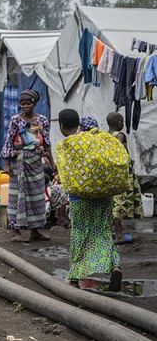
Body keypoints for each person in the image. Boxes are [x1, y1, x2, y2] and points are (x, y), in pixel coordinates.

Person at [56, 109, 122, 291]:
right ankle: (114, 267)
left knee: (80, 235)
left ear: (61, 126)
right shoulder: (95, 138)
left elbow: (67, 175)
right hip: (104, 196)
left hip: (80, 199)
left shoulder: (67, 144)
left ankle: (75, 278)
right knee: (103, 233)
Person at [1, 90, 55, 242]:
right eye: (23, 104)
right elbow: (9, 141)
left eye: (28, 103)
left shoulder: (42, 120)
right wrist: (6, 164)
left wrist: (52, 162)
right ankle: (15, 231)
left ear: (34, 104)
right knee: (17, 195)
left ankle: (35, 230)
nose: (25, 106)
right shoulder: (15, 120)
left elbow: (47, 142)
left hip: (35, 162)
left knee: (36, 196)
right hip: (19, 162)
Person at [107, 112, 144, 245]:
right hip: (121, 175)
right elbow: (118, 153)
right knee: (119, 205)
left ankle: (112, 232)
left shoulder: (106, 135)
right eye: (122, 121)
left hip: (110, 174)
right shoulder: (119, 136)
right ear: (119, 123)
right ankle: (119, 235)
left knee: (112, 204)